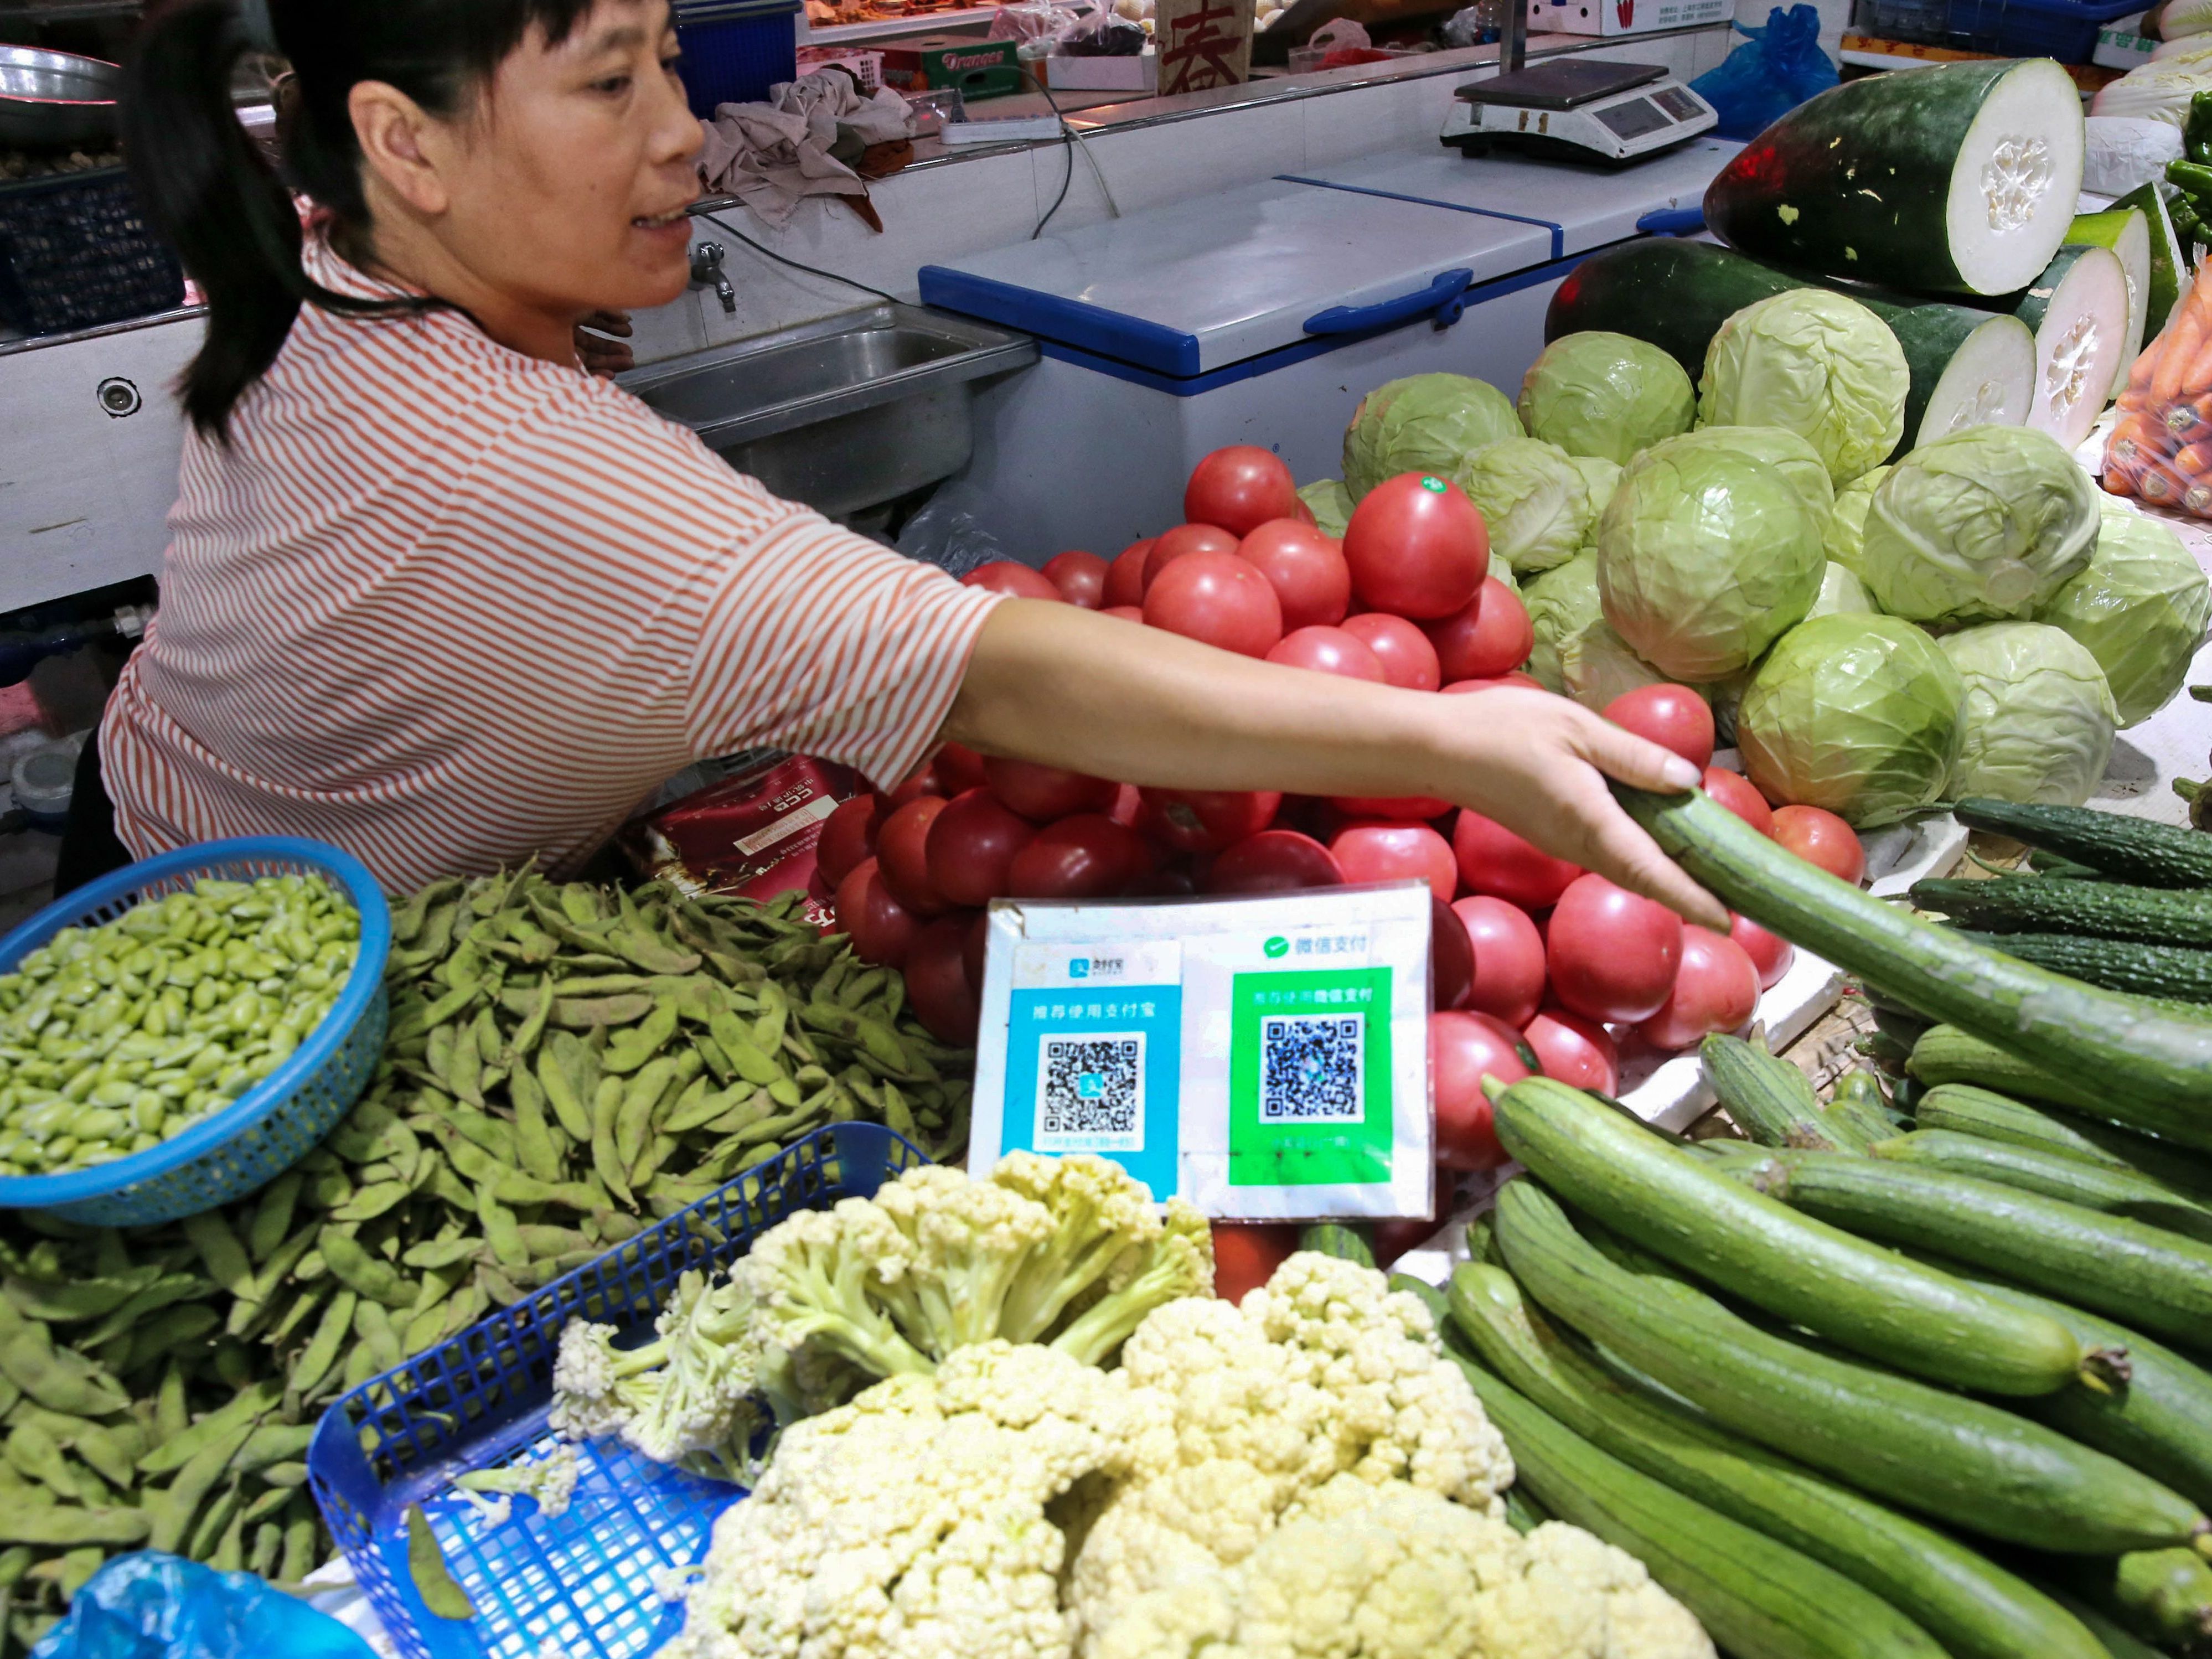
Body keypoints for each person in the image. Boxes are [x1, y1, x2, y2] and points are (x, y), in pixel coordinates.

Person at [95, 0, 1722, 931]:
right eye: (608, 84)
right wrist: (1450, 741)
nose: (681, 130)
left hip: (194, 817)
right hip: (288, 950)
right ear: (405, 143)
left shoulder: (319, 258)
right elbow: (985, 668)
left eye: (669, 57)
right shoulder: (532, 471)